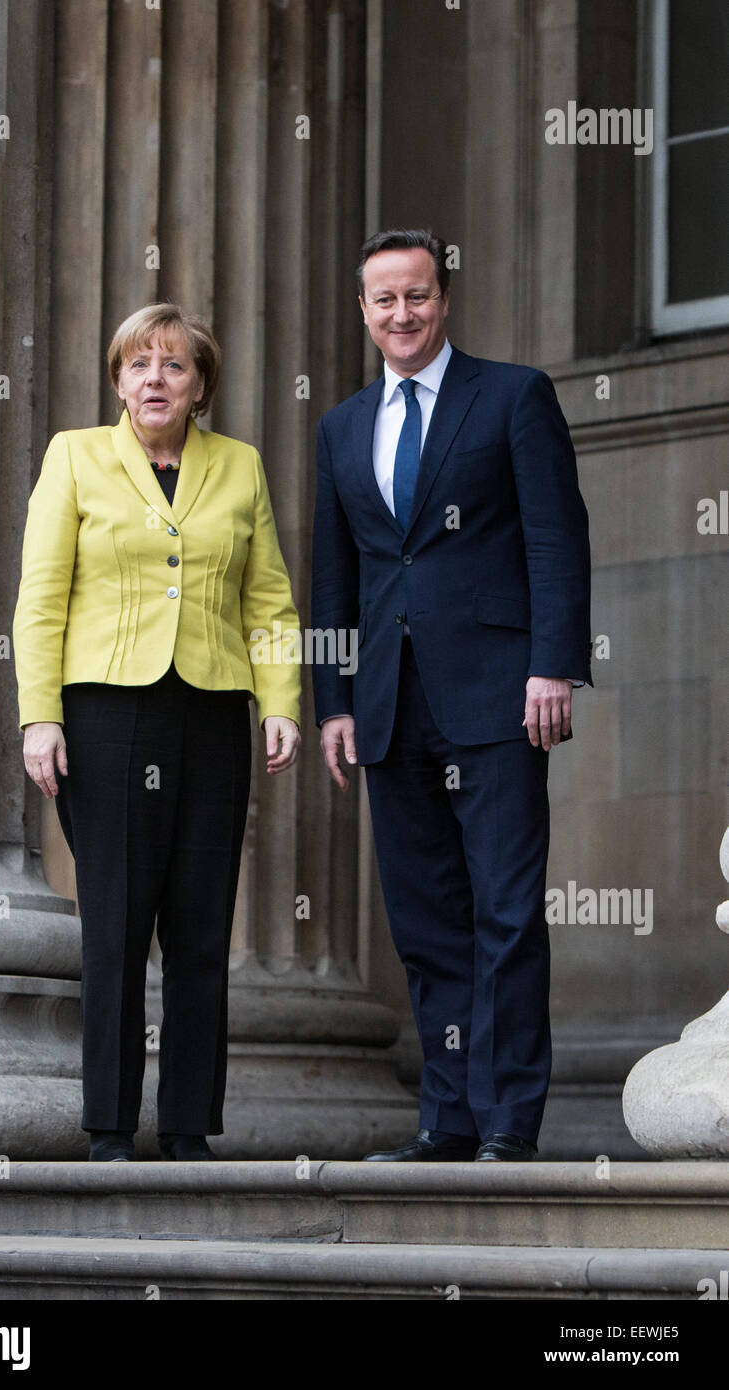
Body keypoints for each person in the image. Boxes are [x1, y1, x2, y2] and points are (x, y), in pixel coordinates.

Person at [312, 229, 591, 1162]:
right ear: (363, 310)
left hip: (500, 699)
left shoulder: (512, 395)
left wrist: (553, 665)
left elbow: (555, 537)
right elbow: (335, 574)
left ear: (444, 299)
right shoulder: (343, 426)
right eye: (384, 299)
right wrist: (335, 701)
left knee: (505, 914)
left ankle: (509, 1122)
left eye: (418, 296)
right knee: (427, 924)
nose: (403, 313)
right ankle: (448, 1118)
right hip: (391, 707)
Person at [13, 303, 301, 1161]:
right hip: (105, 712)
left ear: (200, 385)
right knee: (116, 920)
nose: (154, 379)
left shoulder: (240, 468)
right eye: (139, 364)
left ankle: (186, 1129)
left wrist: (281, 700)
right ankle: (108, 1127)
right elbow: (40, 599)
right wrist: (40, 716)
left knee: (202, 922)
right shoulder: (75, 457)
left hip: (212, 711)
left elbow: (270, 601)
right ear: (117, 380)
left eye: (174, 366)